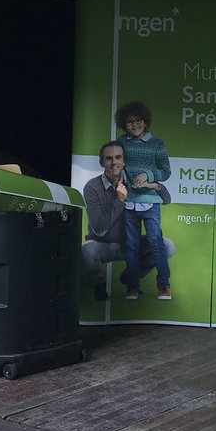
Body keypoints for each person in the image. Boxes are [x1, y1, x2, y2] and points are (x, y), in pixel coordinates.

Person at [81, 141, 175, 300]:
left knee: (167, 246)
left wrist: (154, 186)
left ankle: (130, 278)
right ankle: (99, 285)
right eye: (109, 158)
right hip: (104, 244)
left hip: (131, 244)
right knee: (87, 250)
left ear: (125, 161)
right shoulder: (92, 187)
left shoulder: (133, 181)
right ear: (101, 162)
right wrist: (119, 200)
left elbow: (166, 200)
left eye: (118, 157)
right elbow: (99, 228)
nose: (114, 162)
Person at [115, 101, 173, 300]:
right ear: (124, 124)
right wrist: (121, 174)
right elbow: (117, 163)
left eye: (138, 120)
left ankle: (163, 285)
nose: (134, 124)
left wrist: (147, 174)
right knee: (131, 245)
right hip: (129, 202)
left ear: (145, 122)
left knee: (156, 243)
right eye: (129, 121)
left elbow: (166, 172)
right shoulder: (120, 142)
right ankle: (132, 287)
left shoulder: (157, 144)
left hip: (150, 202)